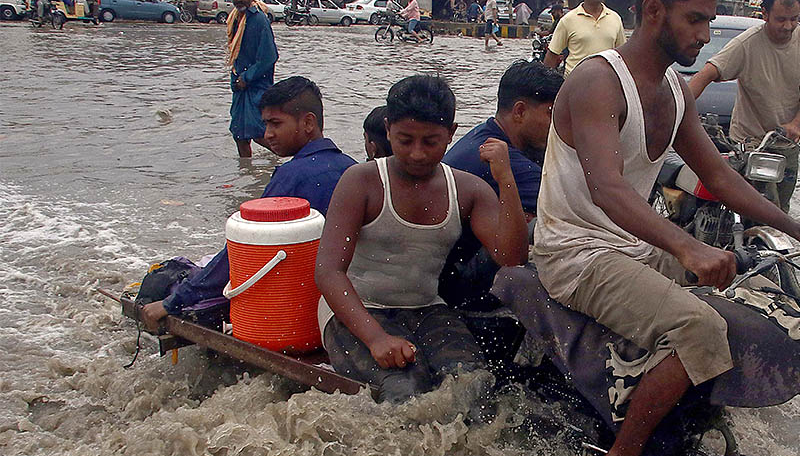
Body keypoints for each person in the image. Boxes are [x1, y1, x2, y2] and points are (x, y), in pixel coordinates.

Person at [532, 0, 800, 456]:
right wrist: (686, 248)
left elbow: (719, 175)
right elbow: (608, 190)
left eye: (708, 20)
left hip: (629, 245)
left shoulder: (674, 91)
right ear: (653, 12)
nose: (704, 34)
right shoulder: (598, 82)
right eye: (694, 20)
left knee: (759, 297)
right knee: (699, 325)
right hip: (574, 251)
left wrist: (794, 226)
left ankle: (703, 430)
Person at [314, 75, 528, 403]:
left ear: (451, 134)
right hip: (357, 311)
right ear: (387, 130)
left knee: (472, 386)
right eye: (405, 140)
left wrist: (506, 179)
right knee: (404, 393)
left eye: (430, 142)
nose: (417, 153)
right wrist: (376, 338)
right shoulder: (362, 183)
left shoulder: (468, 190)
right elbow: (328, 272)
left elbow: (511, 257)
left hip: (427, 309)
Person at [141, 77, 357, 330]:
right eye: (265, 124)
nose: (267, 135)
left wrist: (173, 303)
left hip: (294, 303)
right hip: (341, 294)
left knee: (165, 281)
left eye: (275, 124)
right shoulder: (352, 167)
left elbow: (243, 252)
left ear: (308, 123)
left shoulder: (292, 176)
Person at [688, 0, 800, 212]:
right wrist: (679, 112)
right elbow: (706, 74)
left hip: (785, 143)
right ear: (765, 14)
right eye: (781, 19)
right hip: (749, 145)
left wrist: (796, 124)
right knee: (754, 209)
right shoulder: (747, 43)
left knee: (782, 211)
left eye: (794, 19)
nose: (788, 26)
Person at [439, 61, 563, 309]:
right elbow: (571, 205)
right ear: (519, 112)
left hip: (448, 267)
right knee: (560, 220)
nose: (558, 125)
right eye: (551, 113)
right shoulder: (499, 158)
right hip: (458, 283)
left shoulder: (483, 135)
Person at [225, 0, 278, 158]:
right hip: (240, 87)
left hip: (256, 86)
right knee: (239, 135)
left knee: (259, 133)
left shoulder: (258, 20)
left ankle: (289, 163)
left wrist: (247, 78)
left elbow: (269, 56)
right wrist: (237, 80)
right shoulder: (235, 18)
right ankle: (246, 172)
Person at [543, 0, 625, 75]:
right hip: (575, 83)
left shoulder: (615, 18)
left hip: (606, 83)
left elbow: (621, 55)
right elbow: (552, 55)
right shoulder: (568, 20)